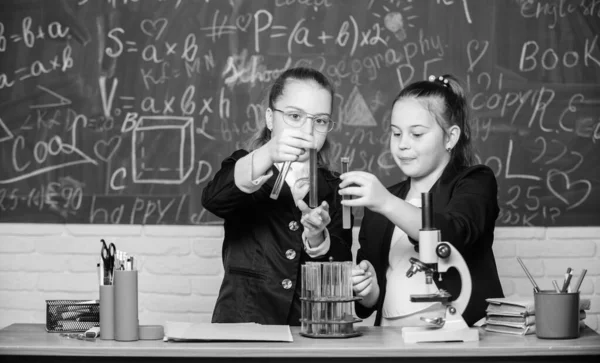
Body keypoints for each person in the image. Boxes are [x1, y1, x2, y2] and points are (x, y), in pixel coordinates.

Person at [340, 74, 504, 327]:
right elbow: (371, 301)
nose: (402, 145)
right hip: (390, 342)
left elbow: (455, 234)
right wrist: (366, 289)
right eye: (396, 134)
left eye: (416, 134)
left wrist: (386, 203)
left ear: (450, 137)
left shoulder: (475, 181)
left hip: (461, 340)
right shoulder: (382, 203)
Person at [202, 67, 353, 326]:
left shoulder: (336, 187)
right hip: (243, 327)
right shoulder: (247, 167)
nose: (307, 131)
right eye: (295, 116)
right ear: (271, 119)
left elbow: (340, 270)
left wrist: (318, 238)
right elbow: (214, 198)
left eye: (319, 120)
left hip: (308, 330)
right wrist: (268, 153)